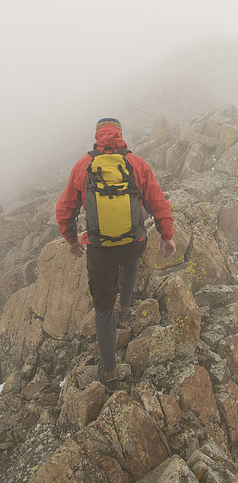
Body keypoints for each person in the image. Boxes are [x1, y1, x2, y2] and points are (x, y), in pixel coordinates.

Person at [56, 117, 176, 390]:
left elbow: (65, 209)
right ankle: (127, 303)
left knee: (102, 308)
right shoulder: (136, 164)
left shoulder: (83, 167)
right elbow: (157, 201)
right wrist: (167, 236)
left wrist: (72, 239)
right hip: (133, 242)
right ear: (120, 136)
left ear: (97, 138)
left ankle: (109, 368)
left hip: (99, 249)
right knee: (132, 252)